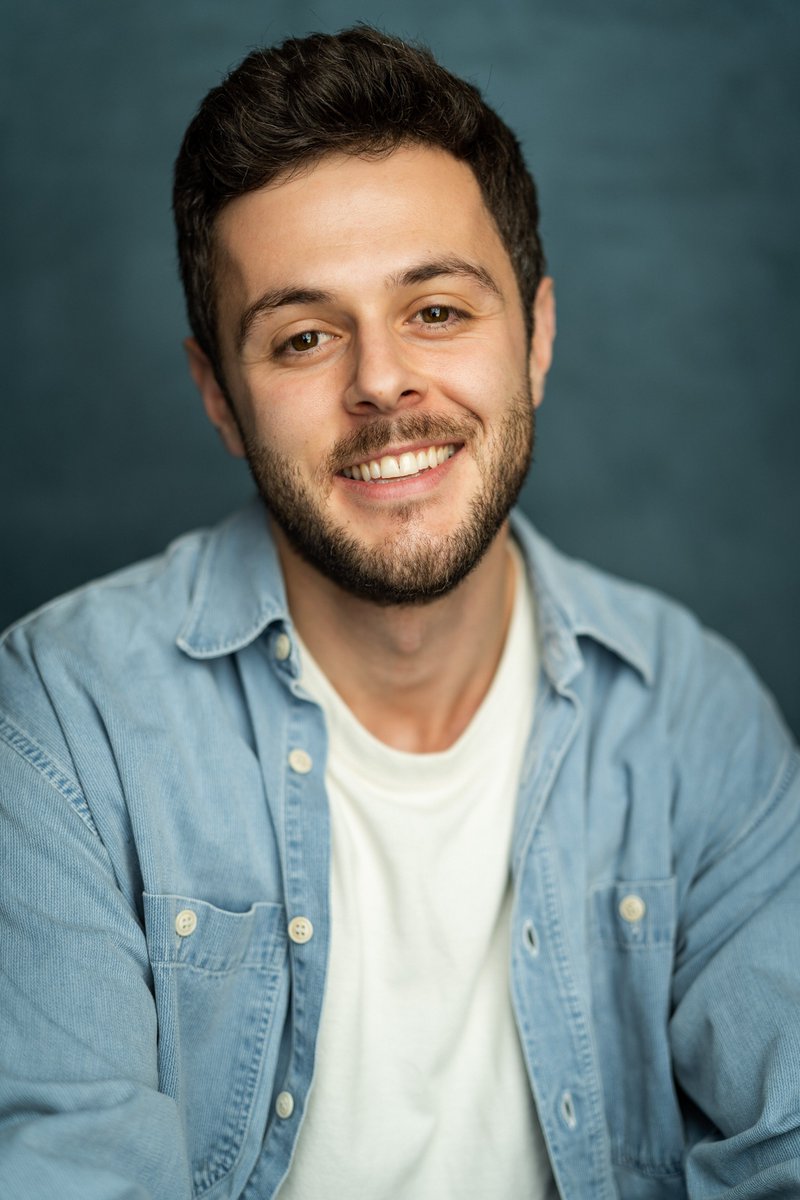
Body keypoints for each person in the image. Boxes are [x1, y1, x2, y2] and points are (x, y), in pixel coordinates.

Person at [0, 25, 797, 1200]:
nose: (380, 384)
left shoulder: (694, 715)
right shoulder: (63, 724)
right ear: (219, 396)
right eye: (305, 337)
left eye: (435, 311)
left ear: (535, 338)